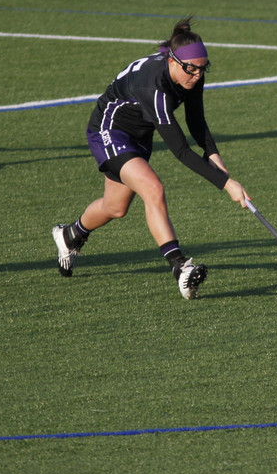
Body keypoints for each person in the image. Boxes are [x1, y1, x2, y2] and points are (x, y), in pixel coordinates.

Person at [52, 18, 248, 299]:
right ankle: (180, 267)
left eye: (202, 69)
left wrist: (215, 157)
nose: (196, 75)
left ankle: (71, 235)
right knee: (153, 188)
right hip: (110, 130)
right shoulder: (153, 87)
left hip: (139, 135)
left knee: (115, 207)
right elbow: (180, 150)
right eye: (191, 69)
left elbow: (196, 120)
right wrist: (226, 184)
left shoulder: (192, 73)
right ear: (172, 61)